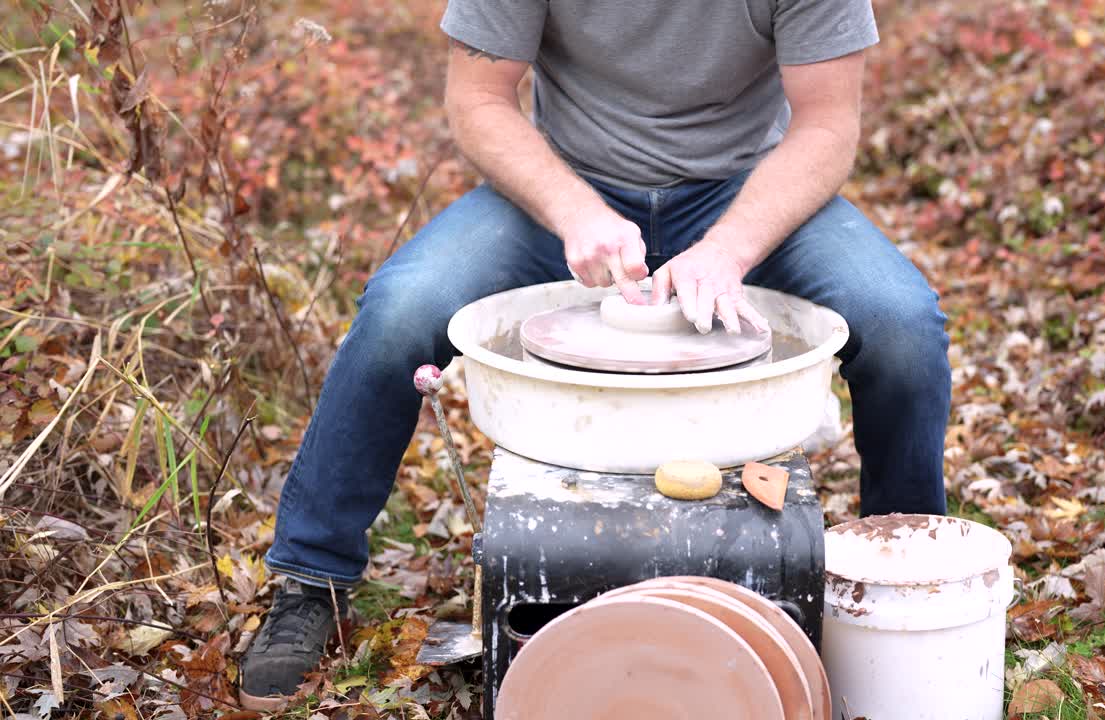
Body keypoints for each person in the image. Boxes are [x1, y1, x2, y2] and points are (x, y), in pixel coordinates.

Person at [238, 0, 951, 709]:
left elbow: (827, 124)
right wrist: (575, 211)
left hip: (742, 190)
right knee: (402, 310)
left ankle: (904, 584)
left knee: (902, 325)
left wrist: (730, 249)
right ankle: (312, 575)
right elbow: (478, 98)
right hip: (567, 187)